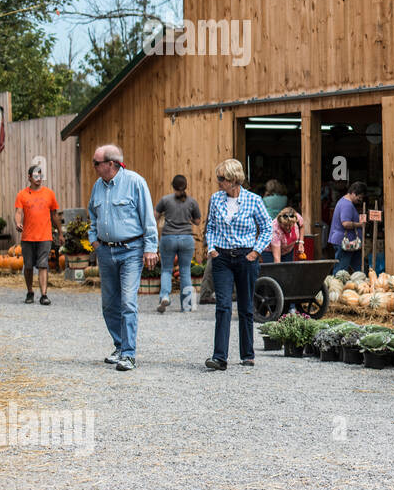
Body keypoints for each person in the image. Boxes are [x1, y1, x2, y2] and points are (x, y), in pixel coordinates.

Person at [88, 144, 158, 371]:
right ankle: (119, 345)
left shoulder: (135, 182)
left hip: (131, 250)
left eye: (96, 163)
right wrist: (94, 240)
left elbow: (148, 217)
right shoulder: (98, 186)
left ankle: (129, 354)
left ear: (110, 164)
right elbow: (92, 214)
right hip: (106, 251)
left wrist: (150, 248)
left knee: (128, 302)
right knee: (109, 304)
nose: (94, 167)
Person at [203, 158, 271, 371]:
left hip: (245, 257)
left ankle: (247, 354)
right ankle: (219, 357)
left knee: (245, 307)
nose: (218, 182)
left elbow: (267, 228)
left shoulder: (254, 201)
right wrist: (211, 248)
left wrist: (256, 251)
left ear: (234, 180)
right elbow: (211, 226)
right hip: (222, 257)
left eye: (221, 178)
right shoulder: (216, 199)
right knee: (222, 306)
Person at [13, 164, 62, 305]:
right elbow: (18, 212)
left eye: (40, 175)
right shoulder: (22, 195)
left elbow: (54, 214)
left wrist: (60, 233)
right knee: (28, 266)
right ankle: (30, 292)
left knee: (43, 265)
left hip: (45, 236)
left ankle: (44, 295)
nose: (38, 178)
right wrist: (18, 223)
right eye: (35, 175)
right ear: (29, 177)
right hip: (28, 236)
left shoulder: (49, 194)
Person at [155, 174, 201, 313]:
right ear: (185, 186)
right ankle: (186, 306)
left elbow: (155, 216)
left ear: (173, 186)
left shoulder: (165, 200)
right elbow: (198, 221)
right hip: (186, 238)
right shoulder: (192, 202)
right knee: (185, 271)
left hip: (168, 237)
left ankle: (165, 296)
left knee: (166, 270)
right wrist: (188, 218)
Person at [328, 181, 367, 274]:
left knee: (359, 268)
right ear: (353, 193)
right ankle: (335, 288)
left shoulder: (344, 202)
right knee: (340, 271)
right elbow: (345, 223)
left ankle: (363, 283)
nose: (360, 200)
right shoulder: (347, 205)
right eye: (359, 197)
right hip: (345, 243)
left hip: (351, 243)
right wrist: (360, 225)